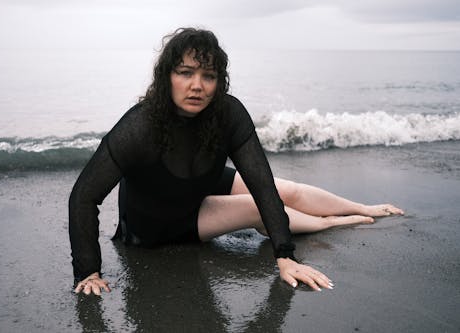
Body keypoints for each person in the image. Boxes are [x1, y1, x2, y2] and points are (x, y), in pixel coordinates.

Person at [69, 27, 403, 296]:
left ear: (219, 81)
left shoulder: (228, 114)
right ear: (166, 77)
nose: (197, 85)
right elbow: (84, 197)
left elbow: (262, 183)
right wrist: (88, 270)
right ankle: (331, 222)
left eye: (208, 76)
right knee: (255, 209)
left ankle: (363, 208)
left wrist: (284, 255)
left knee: (289, 190)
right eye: (185, 73)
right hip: (160, 221)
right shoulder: (139, 126)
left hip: (198, 182)